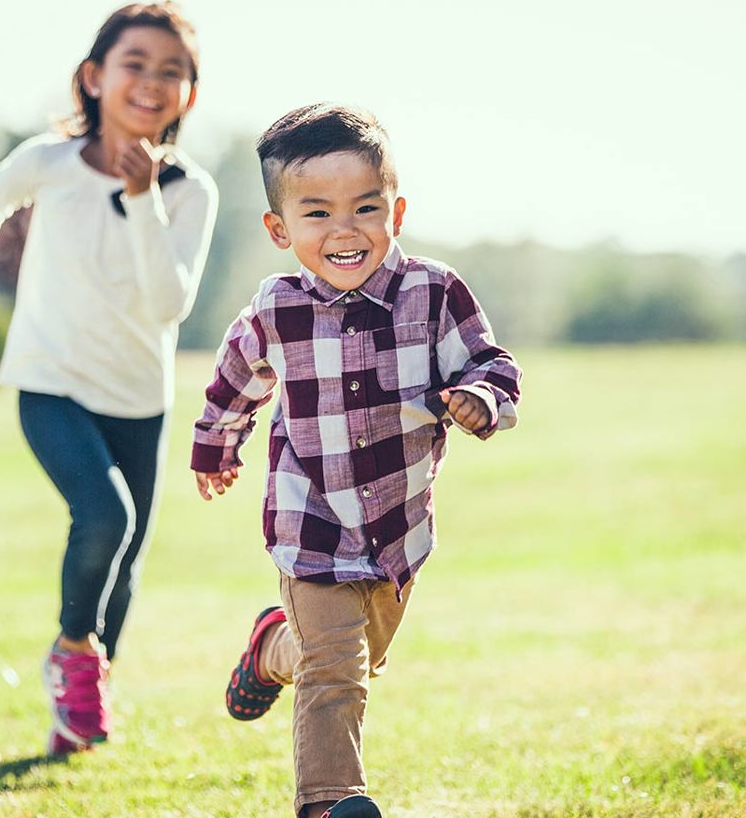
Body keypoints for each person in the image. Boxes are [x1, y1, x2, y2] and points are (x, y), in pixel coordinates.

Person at [192, 103, 524, 818]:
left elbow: (490, 363)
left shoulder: (433, 292)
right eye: (317, 213)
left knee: (352, 661)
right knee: (337, 673)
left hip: (398, 529)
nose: (345, 230)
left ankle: (270, 650)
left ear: (396, 212)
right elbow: (235, 380)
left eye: (365, 208)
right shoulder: (276, 308)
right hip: (310, 521)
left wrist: (479, 398)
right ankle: (330, 801)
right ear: (280, 229)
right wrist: (216, 445)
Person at [0, 1, 216, 757]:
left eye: (171, 70)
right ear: (93, 77)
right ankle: (71, 653)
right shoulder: (47, 164)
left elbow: (169, 303)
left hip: (140, 398)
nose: (151, 81)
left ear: (188, 93)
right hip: (50, 382)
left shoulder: (190, 191)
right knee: (104, 517)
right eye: (134, 63)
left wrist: (143, 198)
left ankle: (79, 706)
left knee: (124, 564)